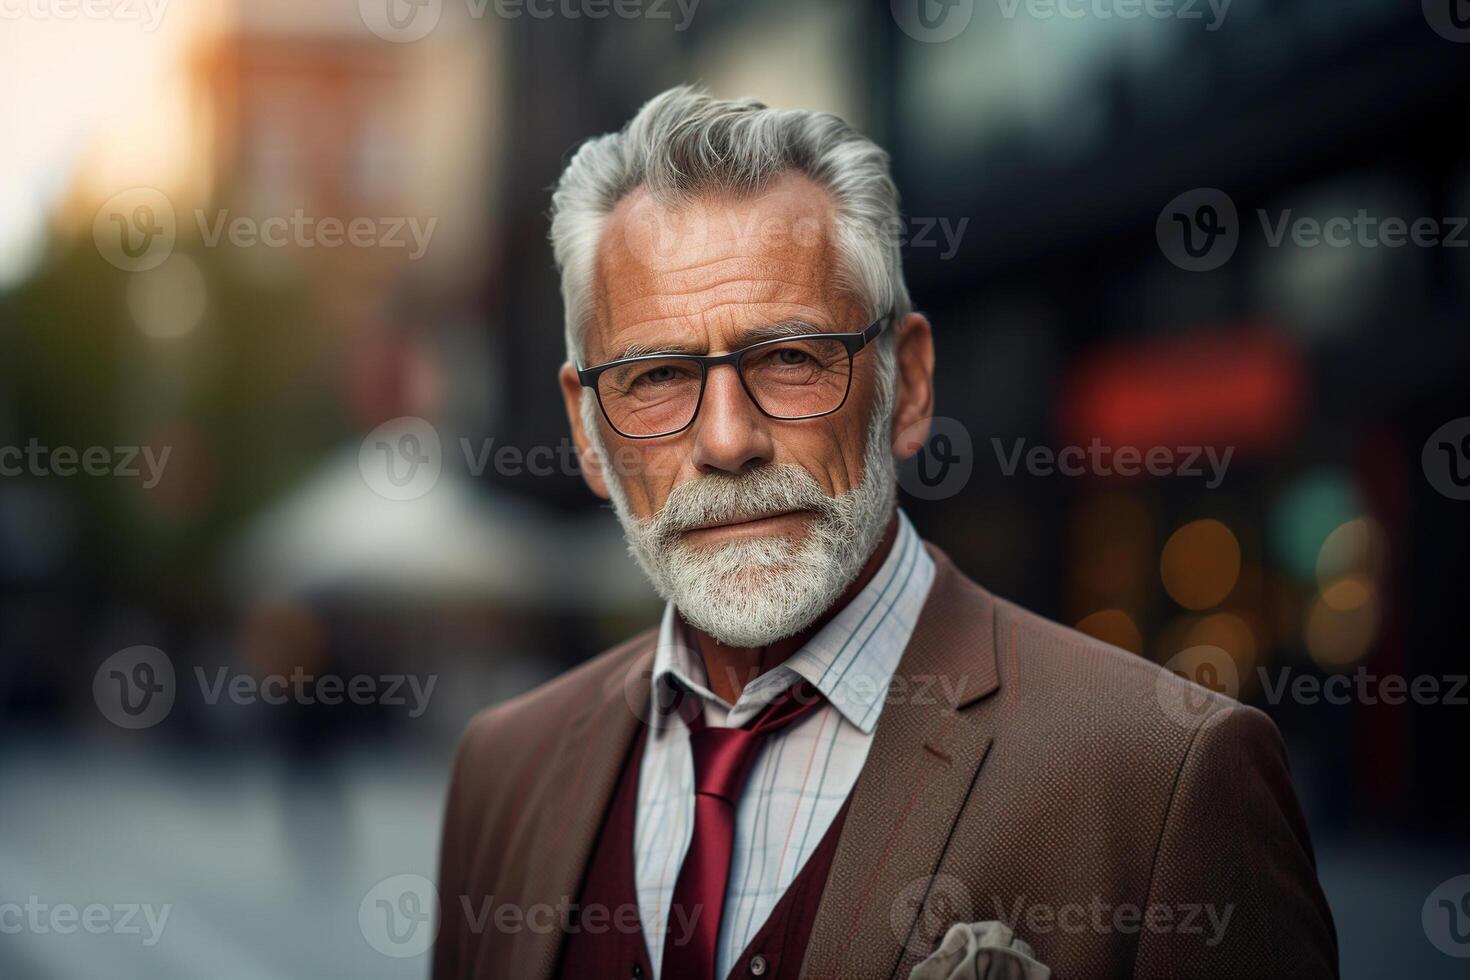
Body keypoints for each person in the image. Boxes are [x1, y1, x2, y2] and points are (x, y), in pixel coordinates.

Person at [431, 87, 1338, 980]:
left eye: (789, 358)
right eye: (657, 376)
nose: (726, 441)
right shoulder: (503, 772)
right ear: (589, 432)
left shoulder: (1164, 779)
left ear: (907, 385)